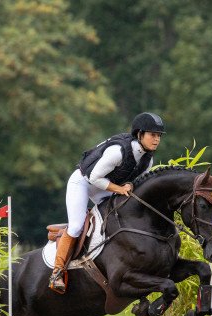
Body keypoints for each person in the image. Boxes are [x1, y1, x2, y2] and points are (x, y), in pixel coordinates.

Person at [49, 112, 165, 293]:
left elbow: (135, 184)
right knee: (77, 225)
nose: (156, 139)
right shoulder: (118, 151)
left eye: (158, 136)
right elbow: (94, 177)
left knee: (119, 216)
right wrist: (120, 189)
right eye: (152, 135)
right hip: (83, 182)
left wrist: (130, 185)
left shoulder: (147, 160)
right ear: (140, 134)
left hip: (105, 187)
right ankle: (57, 272)